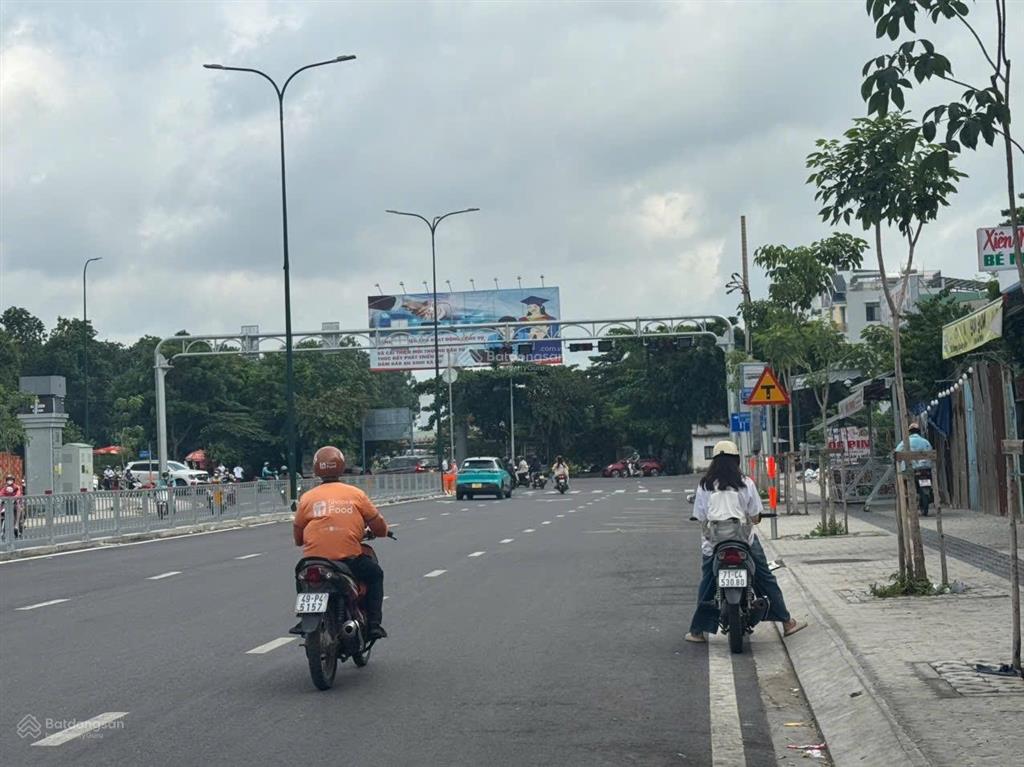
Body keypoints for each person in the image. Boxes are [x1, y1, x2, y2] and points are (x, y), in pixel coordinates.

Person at [685, 440, 806, 643]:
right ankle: (787, 623)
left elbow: (700, 516)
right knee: (765, 578)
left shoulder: (705, 484)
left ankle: (697, 631)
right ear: (736, 460)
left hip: (713, 545)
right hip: (744, 542)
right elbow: (755, 516)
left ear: (714, 461)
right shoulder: (745, 483)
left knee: (707, 583)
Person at [292, 446, 390, 640]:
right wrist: (382, 532)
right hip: (348, 561)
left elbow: (298, 537)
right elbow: (378, 526)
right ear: (342, 466)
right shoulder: (355, 494)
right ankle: (374, 624)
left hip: (313, 561)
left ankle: (304, 617)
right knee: (375, 574)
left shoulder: (307, 497)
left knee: (301, 576)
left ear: (316, 468)